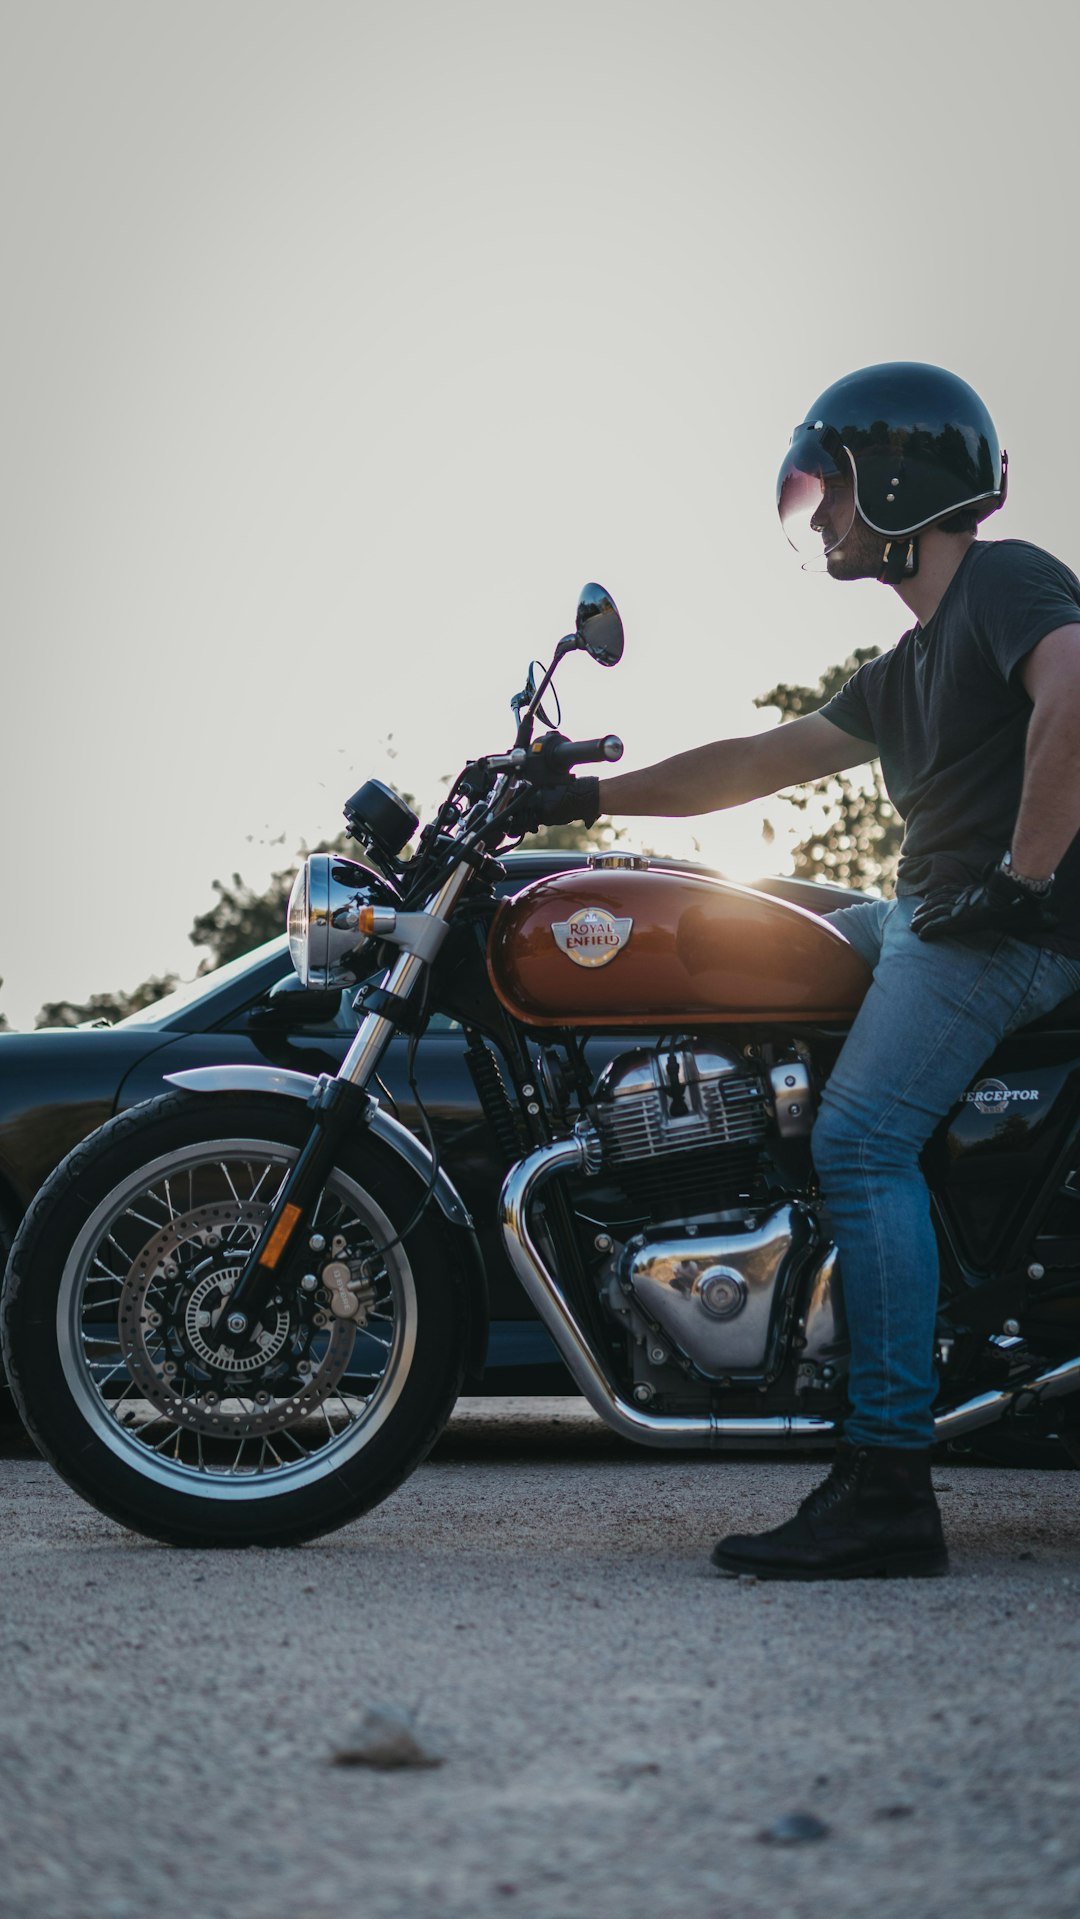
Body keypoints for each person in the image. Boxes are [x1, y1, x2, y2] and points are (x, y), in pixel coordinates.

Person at [538, 361, 1080, 1580]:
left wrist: (1025, 876)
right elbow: (753, 762)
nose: (821, 516)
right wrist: (583, 798)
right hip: (929, 914)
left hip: (1006, 932)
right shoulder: (911, 665)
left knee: (863, 1138)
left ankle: (887, 1480)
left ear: (895, 482)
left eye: (829, 489)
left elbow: (1075, 691)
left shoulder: (1002, 580)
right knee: (756, 967)